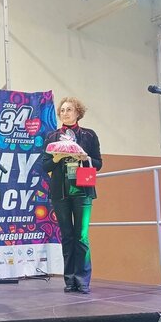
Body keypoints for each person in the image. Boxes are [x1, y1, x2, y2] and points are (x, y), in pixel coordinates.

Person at [42, 97, 102, 294]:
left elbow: (98, 164)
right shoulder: (52, 137)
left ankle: (83, 280)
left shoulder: (89, 135)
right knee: (67, 236)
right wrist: (56, 158)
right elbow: (44, 165)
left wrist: (85, 158)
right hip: (60, 191)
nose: (65, 113)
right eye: (62, 110)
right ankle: (69, 280)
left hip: (83, 190)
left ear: (78, 113)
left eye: (69, 109)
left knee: (81, 236)